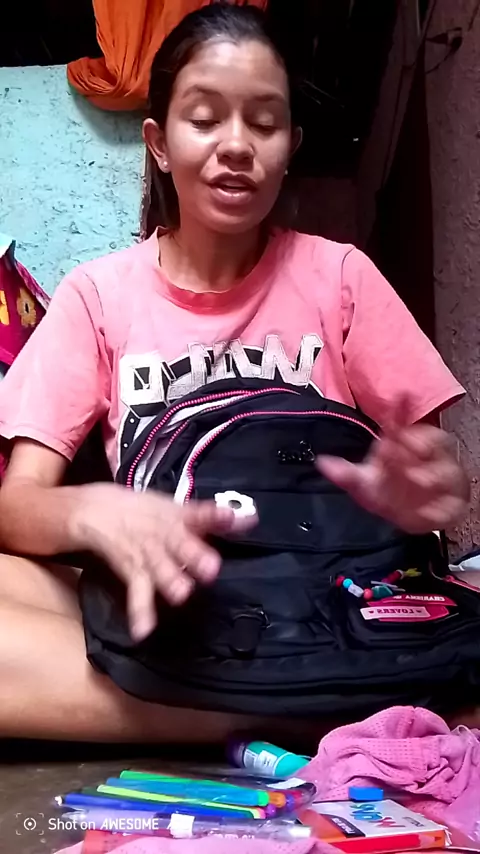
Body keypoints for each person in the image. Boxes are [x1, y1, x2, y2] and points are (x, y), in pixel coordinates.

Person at [0, 4, 470, 743]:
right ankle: (309, 710)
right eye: (204, 118)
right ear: (158, 143)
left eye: (265, 122)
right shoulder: (98, 295)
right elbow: (17, 505)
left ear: (290, 147)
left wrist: (426, 489)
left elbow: (430, 473)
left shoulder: (342, 277)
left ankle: (225, 705)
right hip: (179, 604)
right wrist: (90, 512)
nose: (237, 145)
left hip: (330, 606)